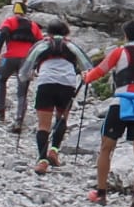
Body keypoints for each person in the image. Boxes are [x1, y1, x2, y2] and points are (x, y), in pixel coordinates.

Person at [79, 21, 134, 207]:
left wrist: (85, 77)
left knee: (106, 148)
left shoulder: (119, 52)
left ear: (125, 35)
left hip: (120, 104)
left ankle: (101, 193)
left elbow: (99, 71)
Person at [19, 21, 92, 174]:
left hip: (46, 82)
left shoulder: (42, 45)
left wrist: (27, 77)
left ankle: (42, 160)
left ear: (48, 32)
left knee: (43, 125)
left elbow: (25, 69)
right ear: (67, 33)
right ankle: (54, 151)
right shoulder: (71, 46)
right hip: (67, 84)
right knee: (61, 119)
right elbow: (88, 66)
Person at [0, 0, 44, 128]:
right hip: (26, 60)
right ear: (25, 13)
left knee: (2, 80)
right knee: (22, 90)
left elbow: (3, 33)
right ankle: (19, 120)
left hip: (9, 58)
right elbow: (40, 44)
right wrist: (36, 64)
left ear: (15, 11)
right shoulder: (33, 26)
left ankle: (1, 112)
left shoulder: (10, 21)